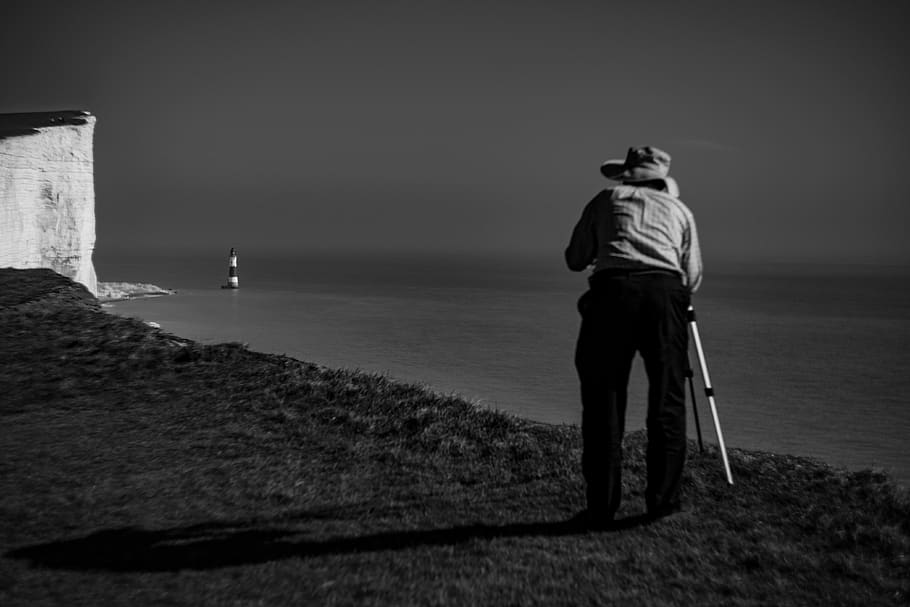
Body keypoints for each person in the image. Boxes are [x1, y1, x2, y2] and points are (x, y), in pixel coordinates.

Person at [565, 145, 702, 527]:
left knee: (603, 399)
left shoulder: (605, 199)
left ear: (626, 174)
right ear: (663, 179)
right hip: (664, 295)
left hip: (611, 294)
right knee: (668, 397)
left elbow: (575, 259)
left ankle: (601, 506)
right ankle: (662, 502)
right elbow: (692, 276)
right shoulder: (680, 211)